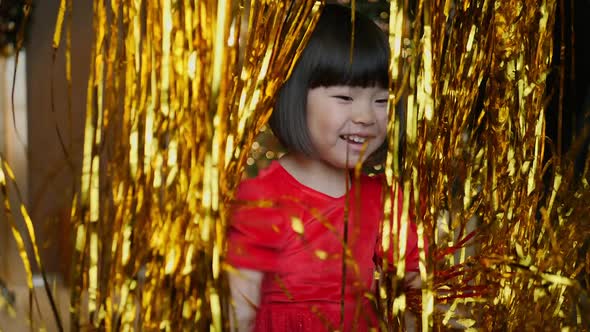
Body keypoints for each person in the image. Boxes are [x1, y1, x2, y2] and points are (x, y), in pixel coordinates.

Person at [226, 4, 421, 331]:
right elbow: (237, 312)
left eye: (381, 100)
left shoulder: (384, 200)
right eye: (345, 98)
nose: (366, 117)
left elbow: (417, 293)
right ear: (294, 97)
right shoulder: (259, 200)